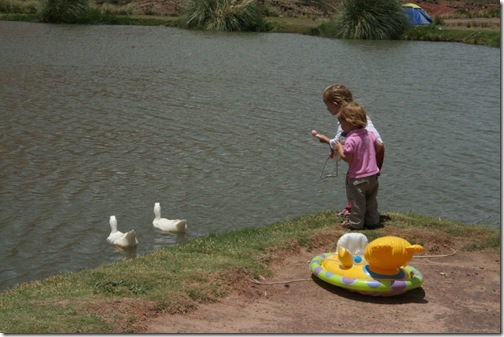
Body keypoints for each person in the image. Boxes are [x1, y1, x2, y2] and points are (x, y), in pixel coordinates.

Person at [314, 84, 384, 218]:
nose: (327, 109)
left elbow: (338, 141)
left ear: (335, 104)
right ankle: (367, 213)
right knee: (368, 184)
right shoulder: (358, 114)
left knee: (354, 180)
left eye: (327, 105)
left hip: (369, 151)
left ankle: (355, 214)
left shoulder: (345, 120)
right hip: (377, 149)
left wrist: (326, 140)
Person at [334, 102, 383, 230]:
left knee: (357, 203)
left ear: (349, 123)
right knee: (371, 201)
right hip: (372, 175)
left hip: (358, 178)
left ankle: (355, 224)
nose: (341, 127)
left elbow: (346, 157)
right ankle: (372, 221)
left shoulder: (351, 139)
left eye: (342, 123)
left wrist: (339, 147)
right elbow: (379, 146)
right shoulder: (369, 134)